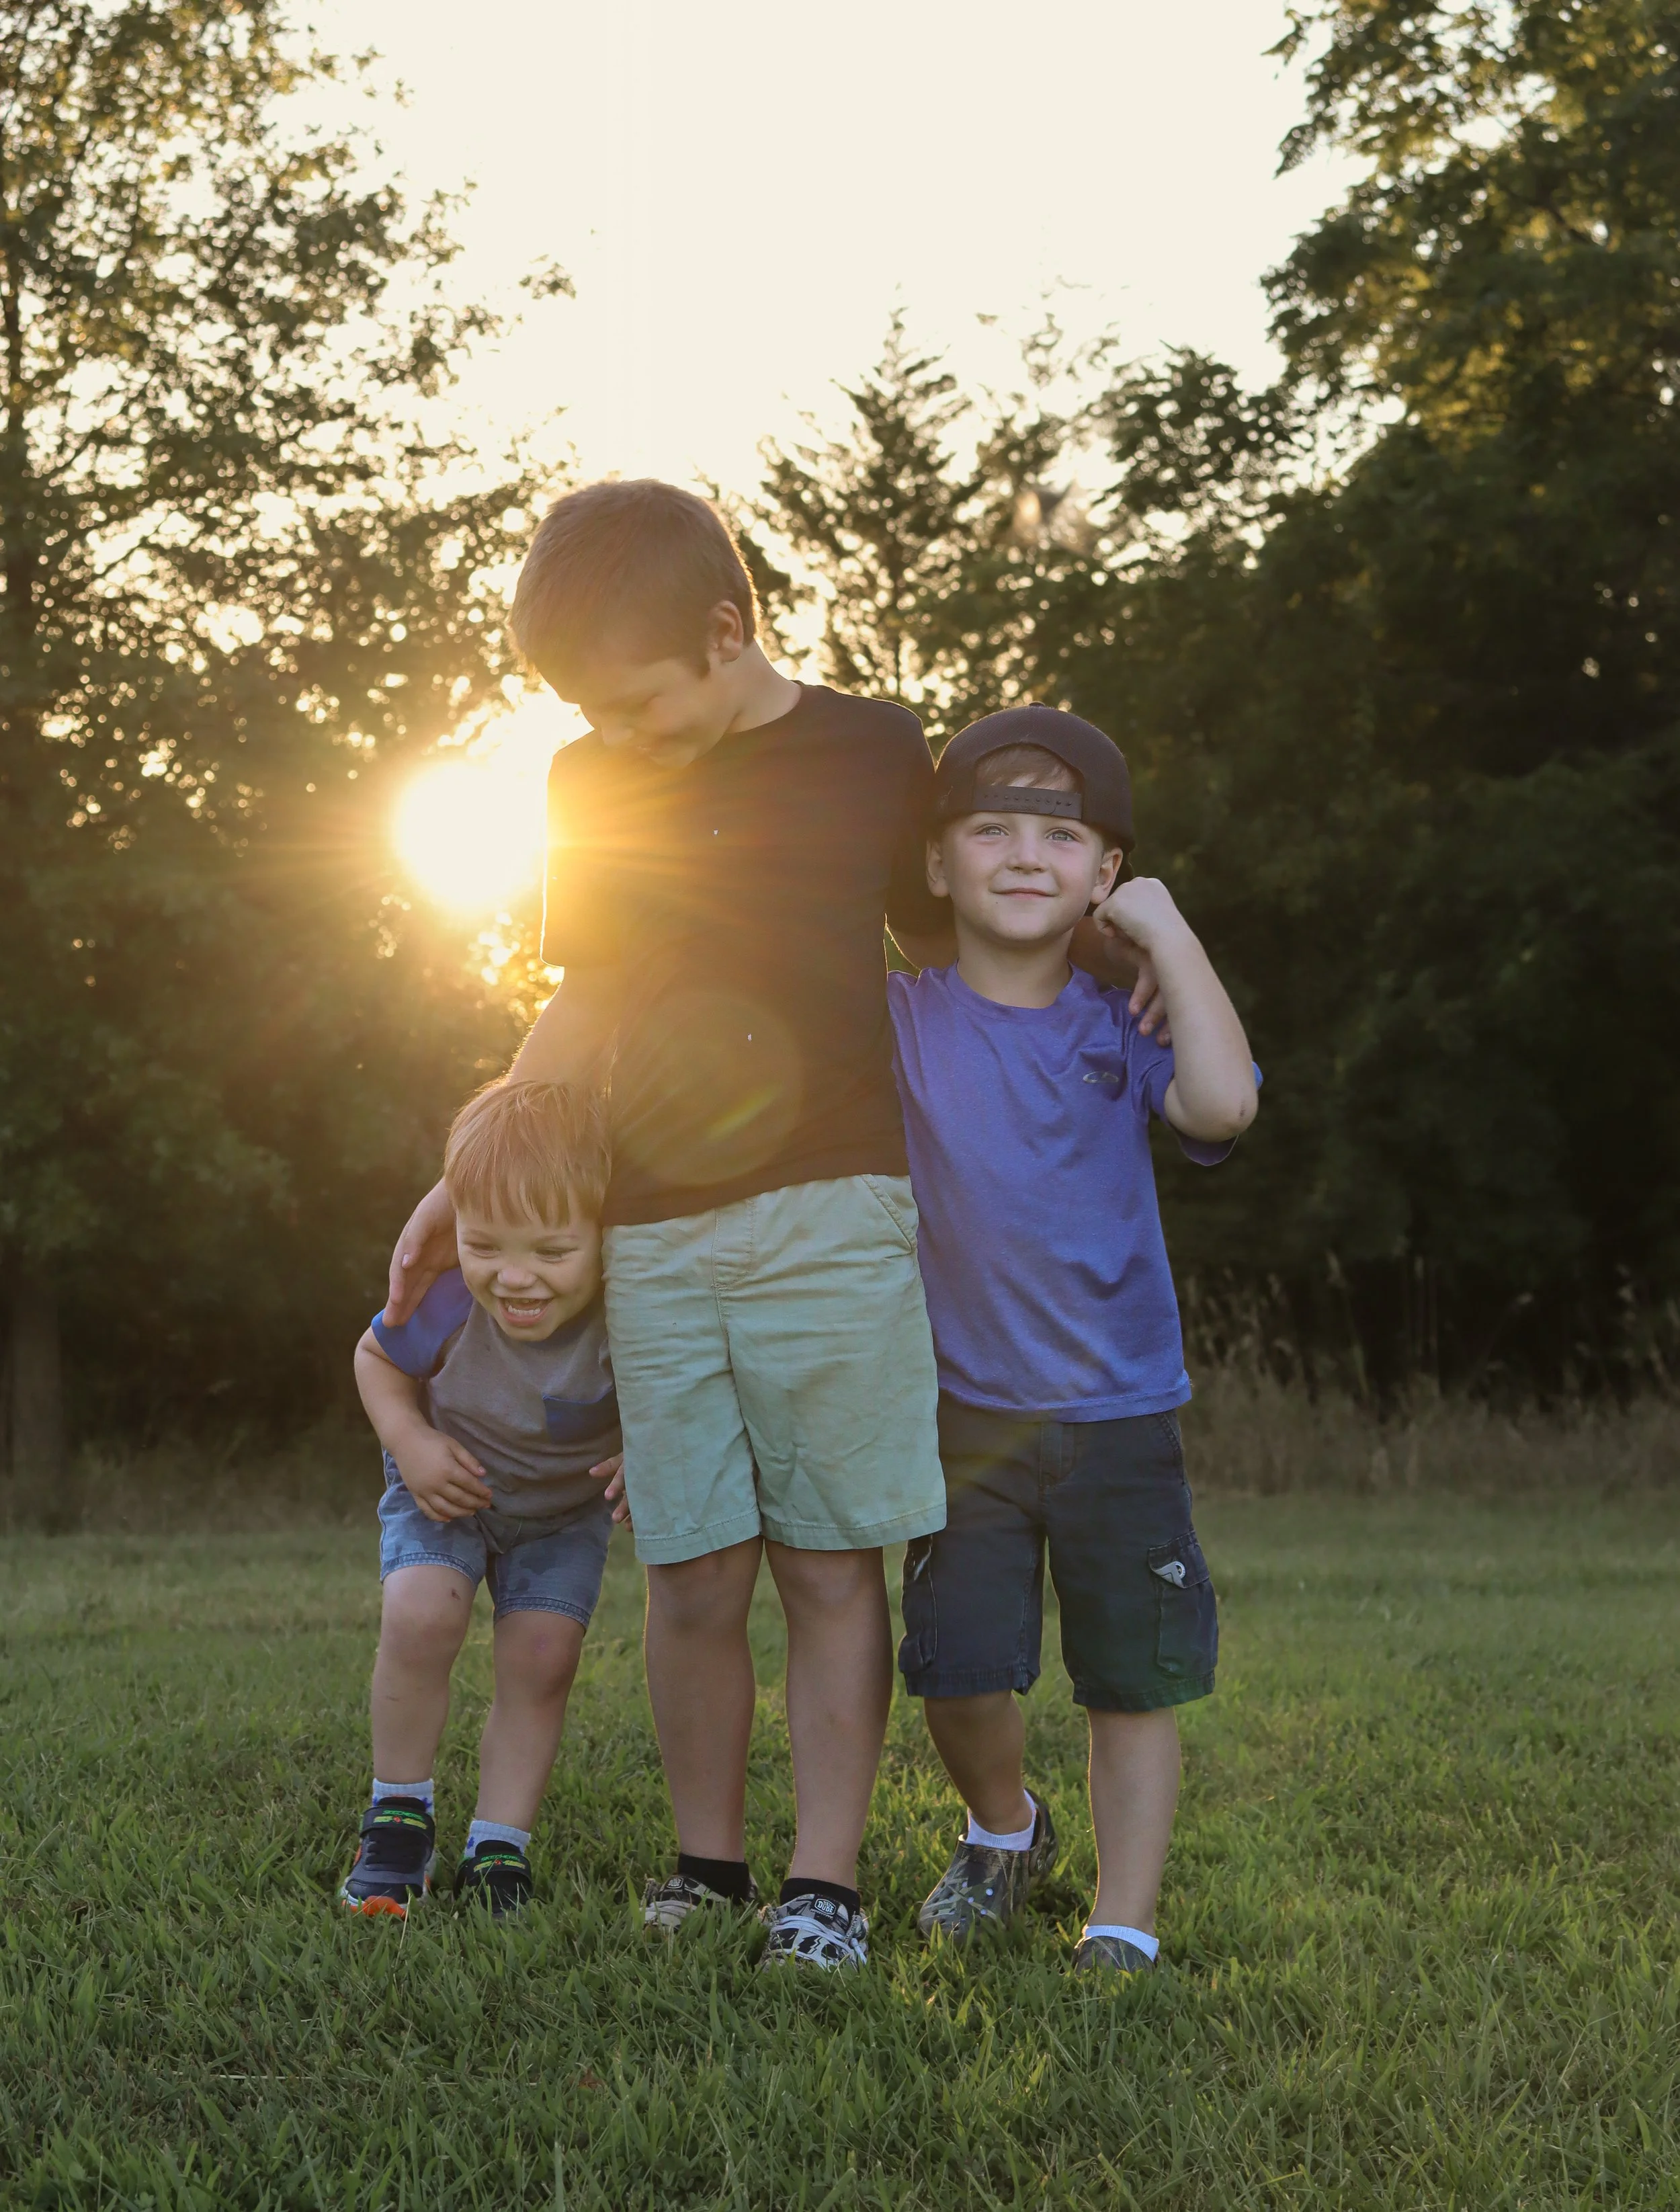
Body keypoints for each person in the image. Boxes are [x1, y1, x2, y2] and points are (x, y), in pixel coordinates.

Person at [380, 481, 959, 1969]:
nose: (614, 733)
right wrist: (471, 1170)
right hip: (652, 1222)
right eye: (588, 711)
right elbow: (588, 992)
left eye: (634, 704)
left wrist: (1112, 956)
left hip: (835, 1204)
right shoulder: (592, 779)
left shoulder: (876, 748)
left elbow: (949, 947)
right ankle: (708, 1867)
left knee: (830, 1560)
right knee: (691, 1565)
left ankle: (821, 1887)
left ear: (725, 630)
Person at [888, 704, 1259, 1976]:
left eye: (1062, 834)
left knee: (1130, 1680)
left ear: (1107, 875)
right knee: (955, 1671)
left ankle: (1123, 1920)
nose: (1026, 853)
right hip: (963, 1415)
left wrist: (1167, 935)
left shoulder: (1125, 1020)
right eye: (990, 828)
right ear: (939, 863)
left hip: (1118, 1413)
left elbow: (1225, 1104)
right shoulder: (899, 1016)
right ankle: (1006, 1826)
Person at [340, 1080, 621, 1921]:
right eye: (485, 1243)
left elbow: (677, 1390)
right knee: (422, 1616)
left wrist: (648, 1449)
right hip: (446, 1487)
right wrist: (411, 1443)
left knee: (541, 1662)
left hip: (562, 1515)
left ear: (608, 1237)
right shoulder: (453, 1298)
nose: (515, 1276)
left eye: (551, 1250)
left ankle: (499, 1845)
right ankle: (398, 1818)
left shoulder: (636, 1310)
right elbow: (376, 1358)